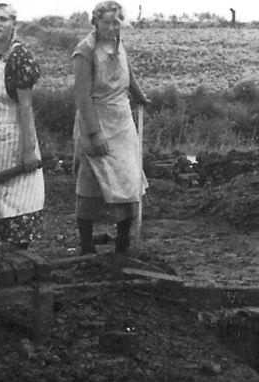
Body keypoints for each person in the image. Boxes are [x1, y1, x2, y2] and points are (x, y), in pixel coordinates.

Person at [73, 1, 148, 255]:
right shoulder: (85, 51)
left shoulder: (118, 42)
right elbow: (82, 97)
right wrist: (94, 133)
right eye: (107, 22)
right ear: (96, 22)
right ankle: (86, 246)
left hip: (122, 120)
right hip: (96, 118)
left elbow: (127, 72)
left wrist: (138, 94)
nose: (112, 27)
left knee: (128, 177)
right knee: (92, 181)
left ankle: (123, 242)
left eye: (116, 22)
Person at [0, 2, 45, 249]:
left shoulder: (19, 58)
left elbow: (26, 108)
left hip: (13, 143)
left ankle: (19, 256)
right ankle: (4, 255)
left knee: (16, 199)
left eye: (3, 19)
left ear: (13, 24)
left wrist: (29, 149)